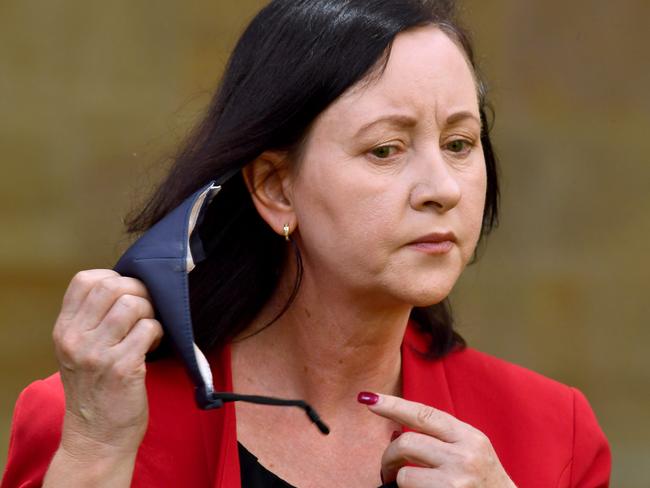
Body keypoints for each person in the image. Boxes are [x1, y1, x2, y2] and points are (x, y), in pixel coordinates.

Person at [2, 0, 611, 487]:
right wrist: (96, 452)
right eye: (385, 149)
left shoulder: (555, 433)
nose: (442, 189)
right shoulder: (90, 418)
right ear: (275, 187)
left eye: (459, 143)